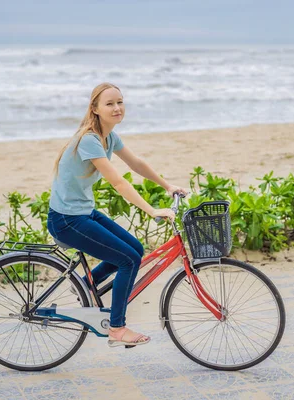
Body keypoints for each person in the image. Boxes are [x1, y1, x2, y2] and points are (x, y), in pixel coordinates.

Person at [47, 82, 187, 347]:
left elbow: (136, 163)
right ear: (95, 109)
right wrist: (151, 210)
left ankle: (87, 285)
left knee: (134, 248)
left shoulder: (108, 136)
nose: (117, 108)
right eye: (109, 103)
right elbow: (118, 182)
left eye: (120, 102)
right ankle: (117, 328)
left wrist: (167, 185)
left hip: (82, 212)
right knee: (127, 261)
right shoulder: (89, 140)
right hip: (66, 220)